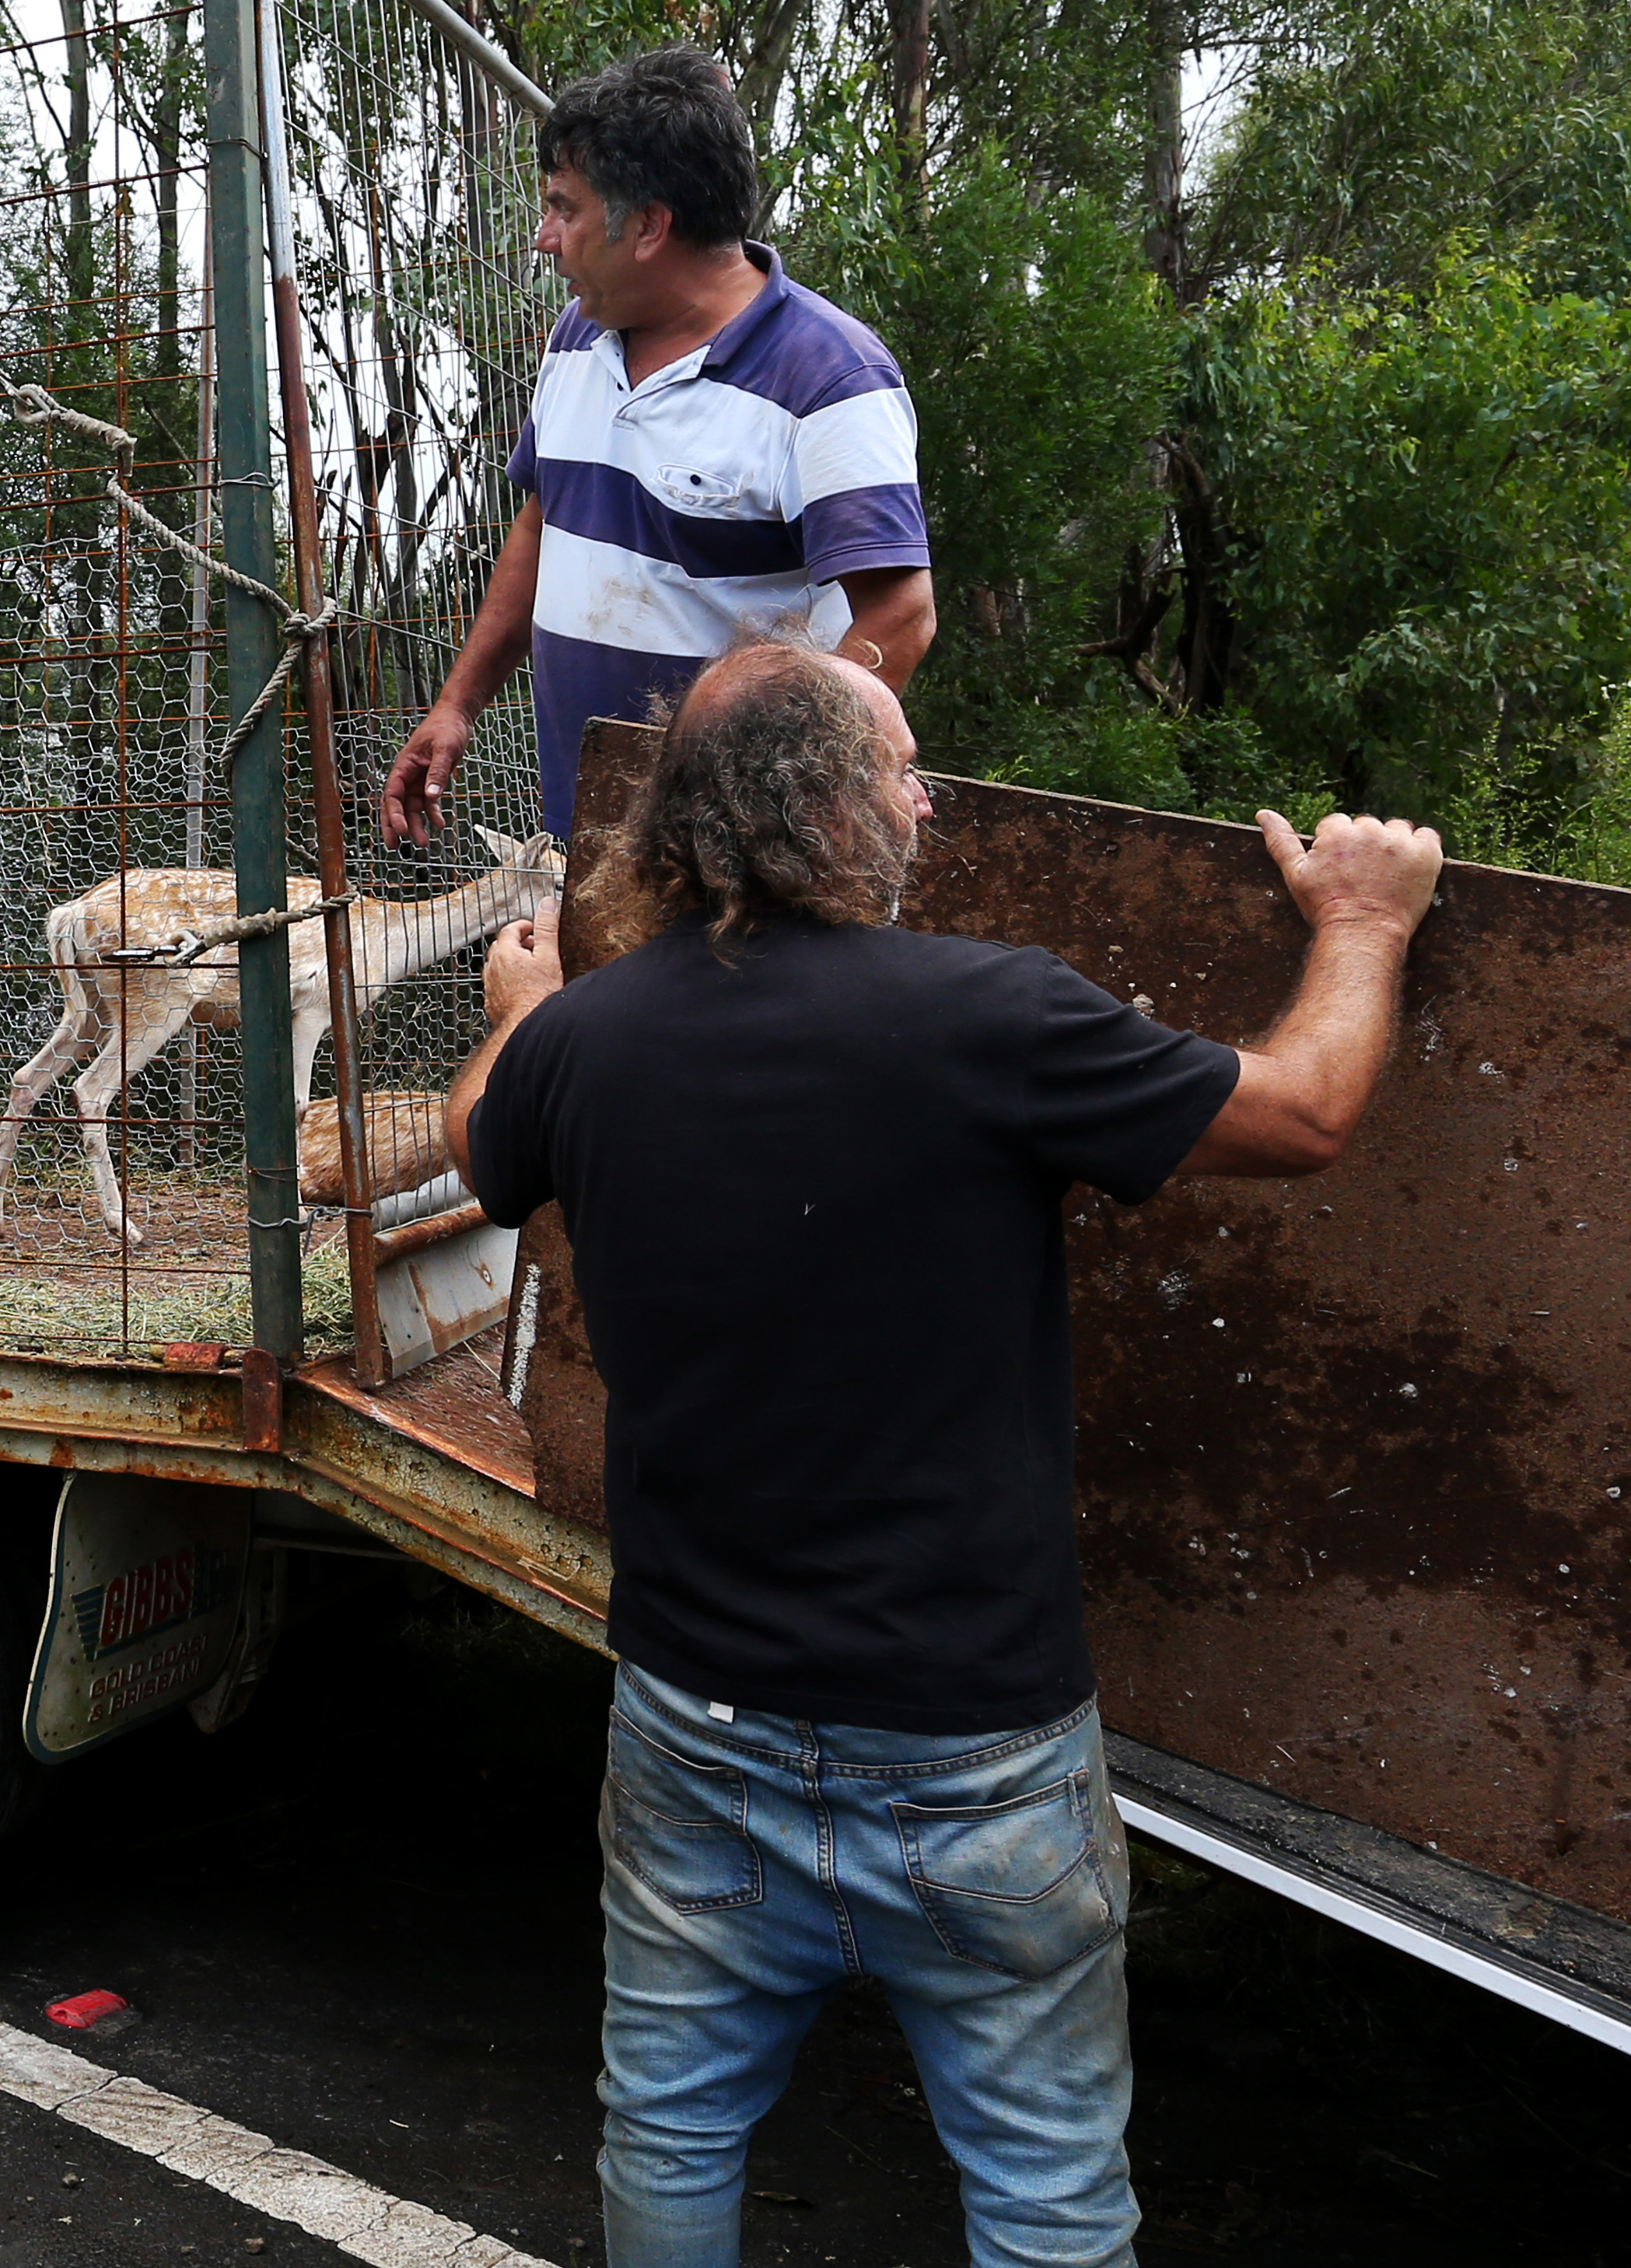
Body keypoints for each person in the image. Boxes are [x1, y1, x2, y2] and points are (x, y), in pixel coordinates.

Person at [443, 640, 1442, 2268]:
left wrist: (526, 1003)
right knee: (1044, 2187)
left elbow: (481, 1135)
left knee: (674, 2126)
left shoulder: (588, 1039)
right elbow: (1312, 1110)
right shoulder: (1000, 1013)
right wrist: (1366, 922)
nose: (924, 798)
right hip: (973, 1742)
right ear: (838, 806)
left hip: (696, 1713)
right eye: (906, 767)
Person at [376, 44, 934, 846]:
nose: (545, 238)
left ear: (648, 225)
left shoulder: (830, 378)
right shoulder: (577, 336)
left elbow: (900, 612)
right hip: (588, 823)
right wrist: (458, 703)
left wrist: (807, 782)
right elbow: (545, 521)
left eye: (565, 208)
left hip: (739, 848)